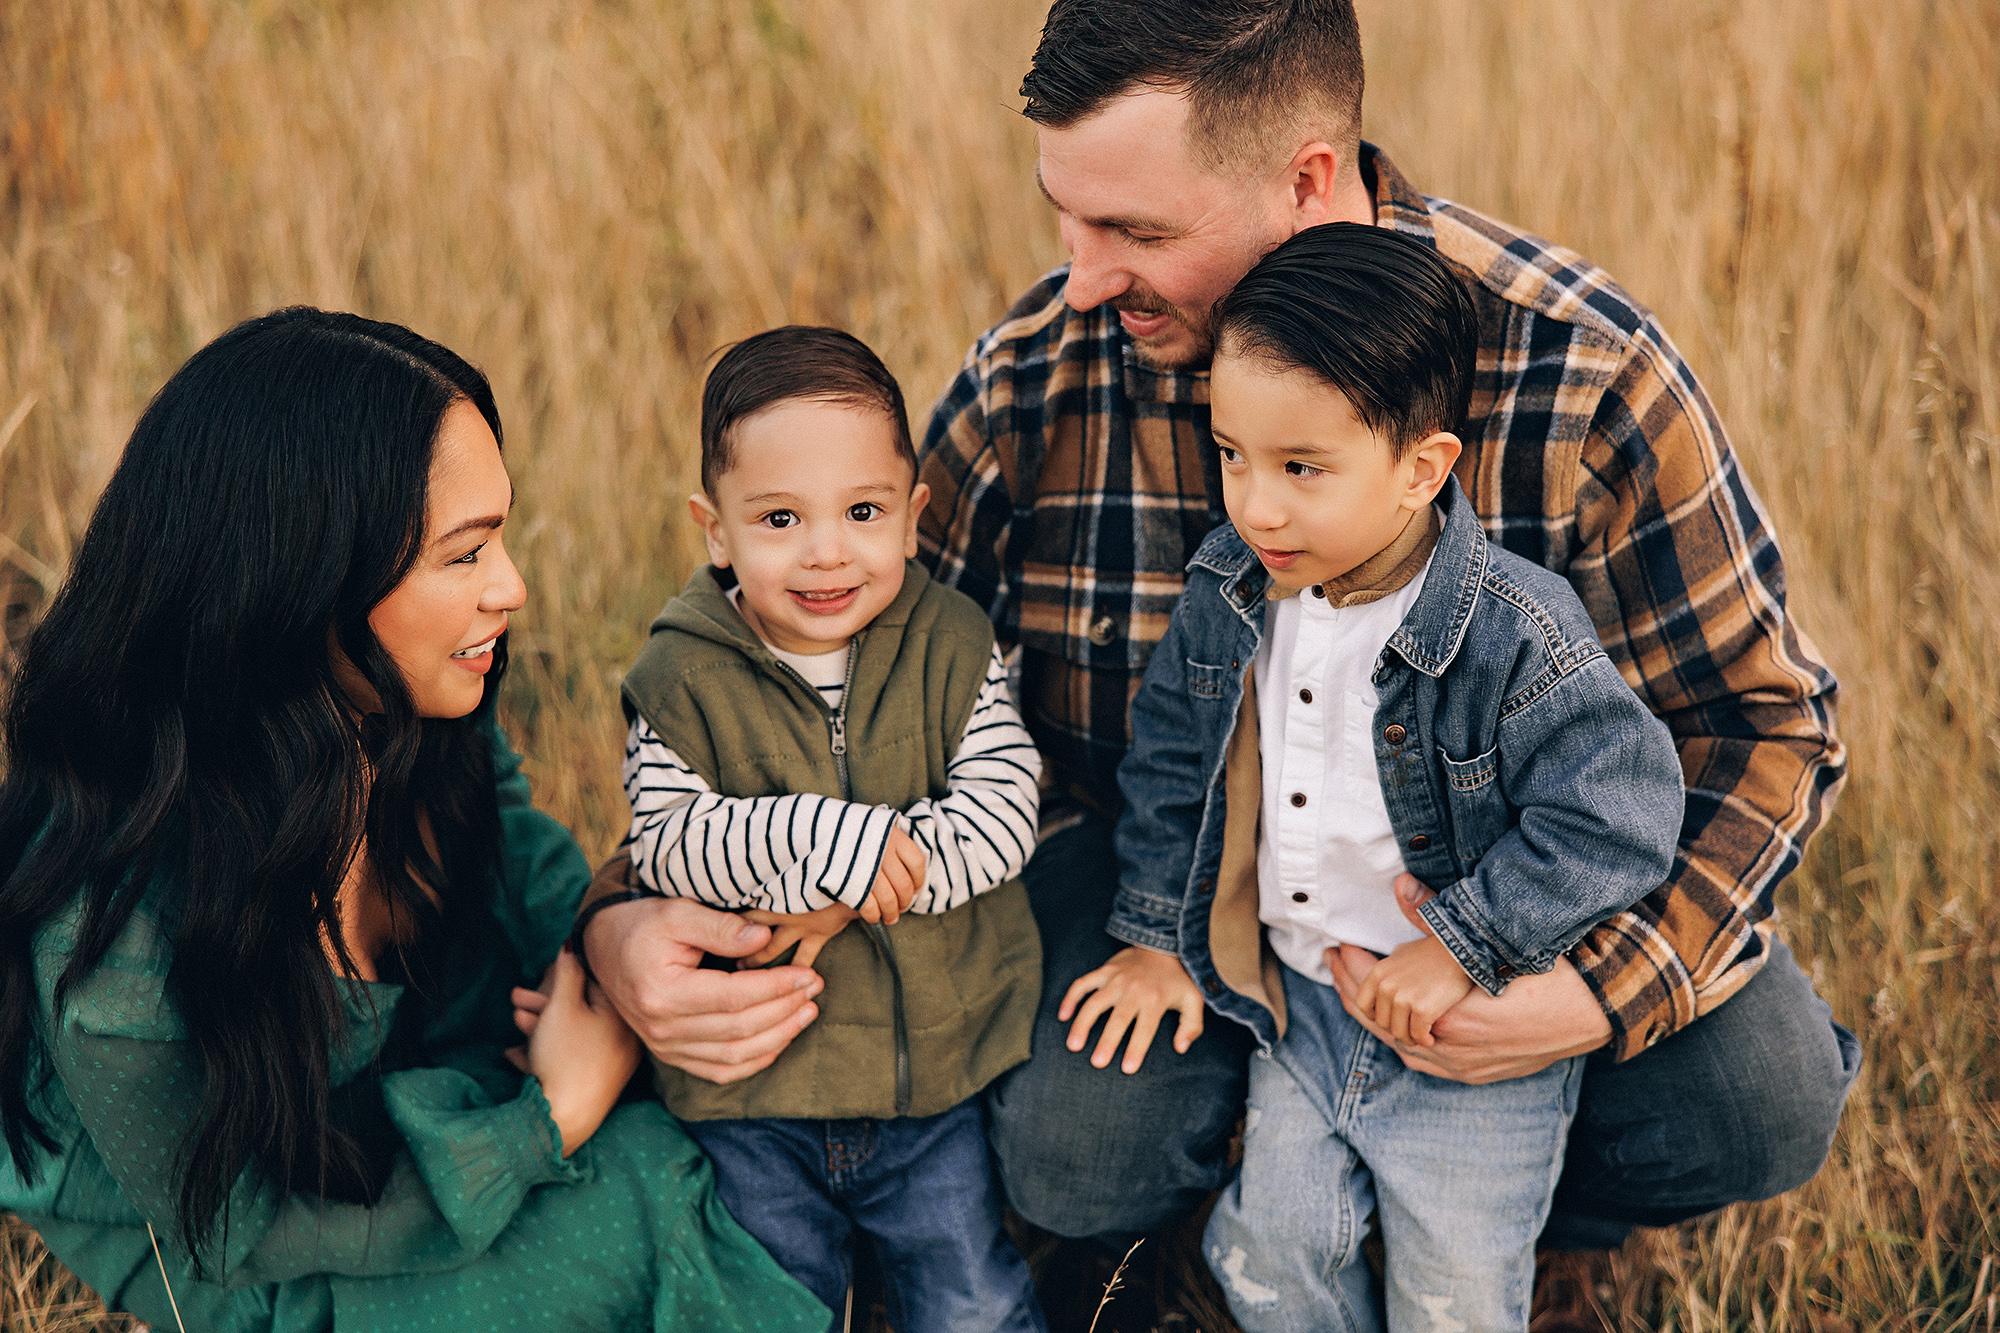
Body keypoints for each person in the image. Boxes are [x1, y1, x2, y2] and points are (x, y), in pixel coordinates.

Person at [911, 0, 1858, 1283]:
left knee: (1754, 1094)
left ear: (1305, 180)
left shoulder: (1574, 369)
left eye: (1133, 230)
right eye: (1064, 216)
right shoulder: (1042, 368)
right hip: (1172, 897)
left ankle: (1497, 1236)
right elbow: (849, 664)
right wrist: (650, 906)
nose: (1079, 277)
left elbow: (1761, 726)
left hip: (1488, 909)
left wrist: (1584, 996)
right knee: (1079, 1148)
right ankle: (1245, 1231)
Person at [0, 308, 827, 1333]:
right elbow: (241, 1233)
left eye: (499, 537)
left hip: (434, 1112)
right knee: (634, 1206)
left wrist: (611, 933)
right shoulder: (115, 951)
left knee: (732, 1124)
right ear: (302, 584)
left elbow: (536, 885)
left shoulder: (408, 718)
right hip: (264, 1255)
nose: (512, 589)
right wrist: (548, 1122)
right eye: (463, 554)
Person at [1063, 223, 1687, 1329]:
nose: (1255, 505)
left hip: (1469, 1038)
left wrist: (1465, 941)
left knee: (1453, 1289)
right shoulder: (1231, 588)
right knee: (1269, 1251)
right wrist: (1156, 937)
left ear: (1419, 468)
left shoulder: (1512, 632)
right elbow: (1171, 762)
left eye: (1301, 468)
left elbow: (1619, 809)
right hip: (1298, 1011)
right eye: (1231, 456)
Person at [576, 325, 1046, 1332]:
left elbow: (1004, 809)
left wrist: (885, 871)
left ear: (913, 516)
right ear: (715, 531)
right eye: (779, 517)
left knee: (967, 1294)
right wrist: (833, 842)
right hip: (754, 1096)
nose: (826, 549)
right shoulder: (680, 677)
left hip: (933, 1074)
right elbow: (669, 839)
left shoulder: (952, 643)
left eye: (862, 511)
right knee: (770, 1301)